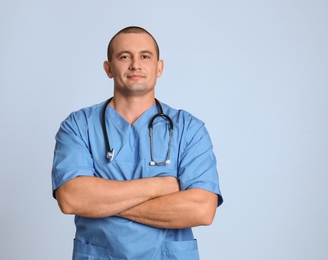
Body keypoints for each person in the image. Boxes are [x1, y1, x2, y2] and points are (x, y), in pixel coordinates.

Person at [52, 26, 223, 260]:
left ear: (159, 67)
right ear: (108, 68)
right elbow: (72, 199)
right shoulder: (79, 126)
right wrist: (160, 187)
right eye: (124, 56)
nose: (135, 64)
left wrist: (102, 203)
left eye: (145, 56)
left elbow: (202, 210)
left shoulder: (189, 129)